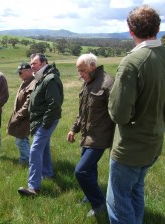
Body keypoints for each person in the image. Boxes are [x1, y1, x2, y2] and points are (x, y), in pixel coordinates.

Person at [106, 5, 165, 224]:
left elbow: (119, 114)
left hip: (130, 147)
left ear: (130, 30)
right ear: (157, 28)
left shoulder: (132, 62)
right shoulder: (162, 54)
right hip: (154, 141)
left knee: (118, 202)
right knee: (136, 191)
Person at [67, 53, 114, 217]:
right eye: (78, 71)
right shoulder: (87, 84)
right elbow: (82, 112)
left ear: (92, 66)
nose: (80, 74)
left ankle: (99, 204)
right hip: (87, 136)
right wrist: (74, 129)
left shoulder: (108, 83)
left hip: (100, 137)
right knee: (90, 171)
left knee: (81, 171)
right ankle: (90, 196)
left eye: (82, 70)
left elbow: (116, 113)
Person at [18, 53, 64, 196]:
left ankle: (33, 187)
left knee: (35, 150)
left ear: (44, 63)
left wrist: (45, 123)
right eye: (31, 64)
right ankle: (48, 173)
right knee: (44, 148)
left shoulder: (50, 79)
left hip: (45, 120)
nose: (32, 66)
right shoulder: (42, 77)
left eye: (35, 63)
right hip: (40, 119)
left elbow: (54, 104)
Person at [7, 62, 36, 165]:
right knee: (23, 139)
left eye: (20, 73)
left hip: (25, 117)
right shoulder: (26, 81)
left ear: (28, 71)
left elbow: (28, 104)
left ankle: (25, 160)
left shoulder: (32, 83)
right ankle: (28, 160)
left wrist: (18, 116)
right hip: (22, 116)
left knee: (21, 140)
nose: (19, 75)